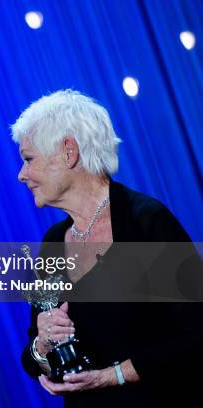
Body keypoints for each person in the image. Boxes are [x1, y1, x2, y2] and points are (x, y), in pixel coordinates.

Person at [11, 90, 202, 407]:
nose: (21, 175)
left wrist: (111, 375)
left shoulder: (145, 221)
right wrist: (41, 347)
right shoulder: (52, 245)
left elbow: (195, 333)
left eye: (28, 159)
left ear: (69, 152)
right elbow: (34, 356)